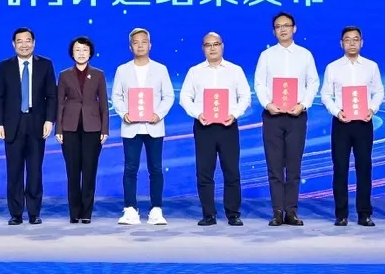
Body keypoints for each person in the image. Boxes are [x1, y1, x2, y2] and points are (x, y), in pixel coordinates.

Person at [253, 12, 320, 226]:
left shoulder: (305, 55)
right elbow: (259, 83)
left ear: (294, 28)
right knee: (274, 166)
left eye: (286, 25)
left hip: (296, 116)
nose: (282, 29)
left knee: (293, 166)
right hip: (273, 116)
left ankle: (291, 211)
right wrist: (267, 104)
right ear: (274, 31)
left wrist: (303, 104)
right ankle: (277, 211)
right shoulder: (267, 55)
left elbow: (313, 82)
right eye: (278, 26)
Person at [179, 32, 252, 226]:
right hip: (204, 127)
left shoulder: (235, 70)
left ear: (222, 46)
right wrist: (198, 113)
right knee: (204, 172)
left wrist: (234, 114)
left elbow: (245, 96)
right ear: (203, 48)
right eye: (208, 45)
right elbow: (184, 97)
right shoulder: (195, 72)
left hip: (228, 126)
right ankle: (208, 214)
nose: (212, 48)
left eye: (216, 44)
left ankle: (233, 214)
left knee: (231, 171)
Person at [320, 26, 385, 227]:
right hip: (341, 123)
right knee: (340, 167)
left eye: (355, 39)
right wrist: (336, 111)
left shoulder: (371, 66)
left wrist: (372, 109)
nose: (351, 43)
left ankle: (364, 213)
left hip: (364, 123)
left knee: (364, 167)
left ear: (361, 42)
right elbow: (325, 95)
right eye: (347, 40)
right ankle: (341, 214)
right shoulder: (333, 67)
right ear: (341, 43)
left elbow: (379, 91)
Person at [110, 28, 175, 225]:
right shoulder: (122, 70)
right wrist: (124, 113)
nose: (140, 45)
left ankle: (156, 209)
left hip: (154, 126)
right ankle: (130, 209)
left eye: (144, 42)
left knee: (155, 168)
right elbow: (116, 96)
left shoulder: (160, 69)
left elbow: (168, 96)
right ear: (130, 47)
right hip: (131, 127)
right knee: (130, 168)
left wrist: (158, 114)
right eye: (136, 42)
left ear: (150, 45)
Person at [0, 27, 57, 225]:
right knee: (14, 171)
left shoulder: (45, 64)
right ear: (14, 44)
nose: (24, 45)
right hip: (13, 124)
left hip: (37, 123)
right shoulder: (5, 66)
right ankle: (16, 213)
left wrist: (49, 120)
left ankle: (34, 212)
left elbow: (52, 96)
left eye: (27, 40)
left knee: (35, 170)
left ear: (34, 43)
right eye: (19, 41)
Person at [55, 36, 109, 223]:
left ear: (90, 53)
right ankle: (74, 212)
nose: (81, 53)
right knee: (72, 171)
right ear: (72, 53)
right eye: (77, 50)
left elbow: (103, 103)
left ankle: (86, 213)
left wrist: (104, 129)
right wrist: (58, 129)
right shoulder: (64, 75)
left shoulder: (98, 74)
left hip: (92, 128)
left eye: (85, 50)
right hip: (69, 128)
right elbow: (59, 103)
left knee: (89, 170)